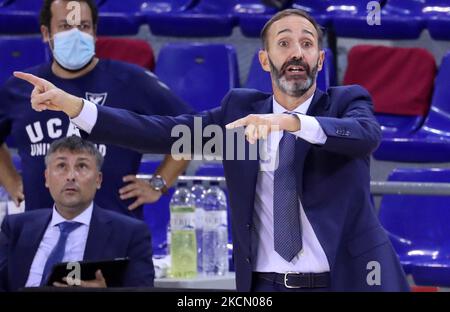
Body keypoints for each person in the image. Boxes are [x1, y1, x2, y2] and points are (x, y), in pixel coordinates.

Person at [14, 9, 410, 292]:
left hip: (349, 278)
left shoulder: (344, 103)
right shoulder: (238, 114)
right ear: (265, 58)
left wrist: (291, 123)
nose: (296, 52)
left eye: (307, 44)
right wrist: (76, 107)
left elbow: (364, 134)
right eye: (284, 42)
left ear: (320, 60)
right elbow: (160, 133)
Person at [0, 0, 192, 218]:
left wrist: (159, 183)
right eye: (65, 26)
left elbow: (191, 131)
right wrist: (11, 181)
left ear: (94, 32)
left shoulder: (131, 81)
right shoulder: (22, 88)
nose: (75, 35)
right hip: (42, 233)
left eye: (83, 26)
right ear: (46, 33)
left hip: (116, 235)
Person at [0, 136, 154, 292]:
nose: (71, 176)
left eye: (82, 166)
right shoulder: (15, 228)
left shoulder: (130, 234)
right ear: (46, 178)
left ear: (98, 180)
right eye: (61, 166)